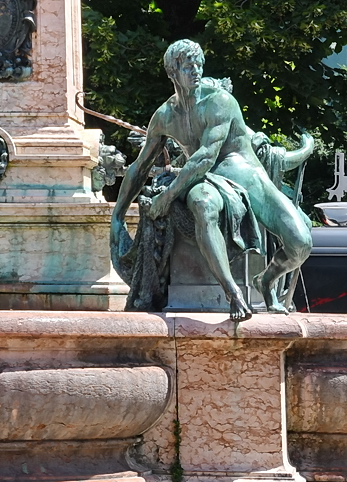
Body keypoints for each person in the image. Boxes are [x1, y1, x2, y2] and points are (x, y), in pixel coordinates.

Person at [110, 39, 312, 320]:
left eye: (199, 65)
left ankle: (265, 281)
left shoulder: (219, 101)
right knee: (203, 206)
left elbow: (206, 154)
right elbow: (139, 167)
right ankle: (233, 292)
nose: (196, 71)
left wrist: (167, 197)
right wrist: (117, 215)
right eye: (189, 66)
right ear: (173, 71)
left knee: (301, 243)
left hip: (244, 172)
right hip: (205, 179)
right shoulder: (165, 116)